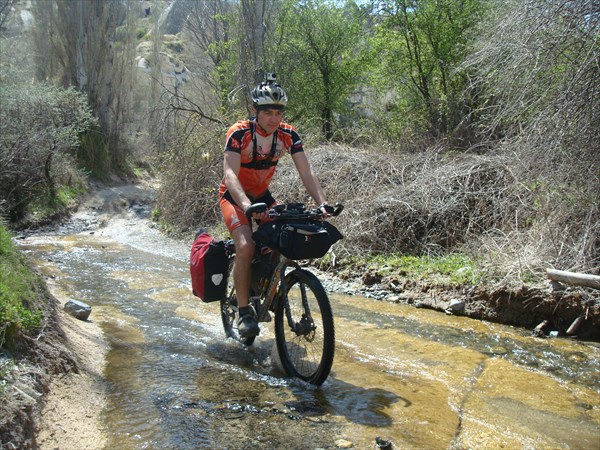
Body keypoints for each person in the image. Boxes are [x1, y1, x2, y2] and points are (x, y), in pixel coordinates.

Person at [218, 73, 330, 338]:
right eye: (268, 112)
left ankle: (262, 284)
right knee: (245, 246)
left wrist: (323, 204)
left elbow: (306, 172)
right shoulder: (239, 133)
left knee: (284, 237)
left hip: (263, 195)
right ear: (255, 111)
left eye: (278, 113)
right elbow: (230, 175)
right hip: (235, 197)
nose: (274, 118)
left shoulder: (289, 135)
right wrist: (246, 205)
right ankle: (244, 310)